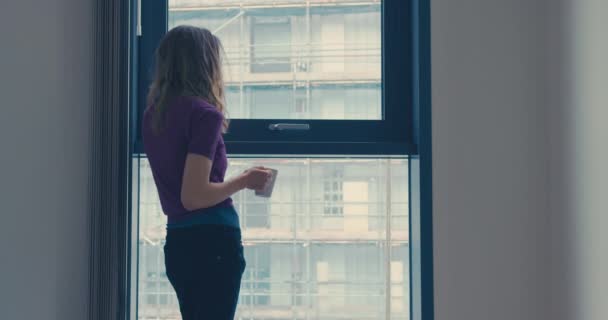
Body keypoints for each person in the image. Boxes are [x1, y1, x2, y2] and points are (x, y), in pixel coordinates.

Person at [142, 25, 271, 319]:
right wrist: (246, 180)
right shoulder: (204, 114)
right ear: (204, 64)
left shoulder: (154, 116)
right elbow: (195, 195)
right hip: (212, 243)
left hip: (178, 243)